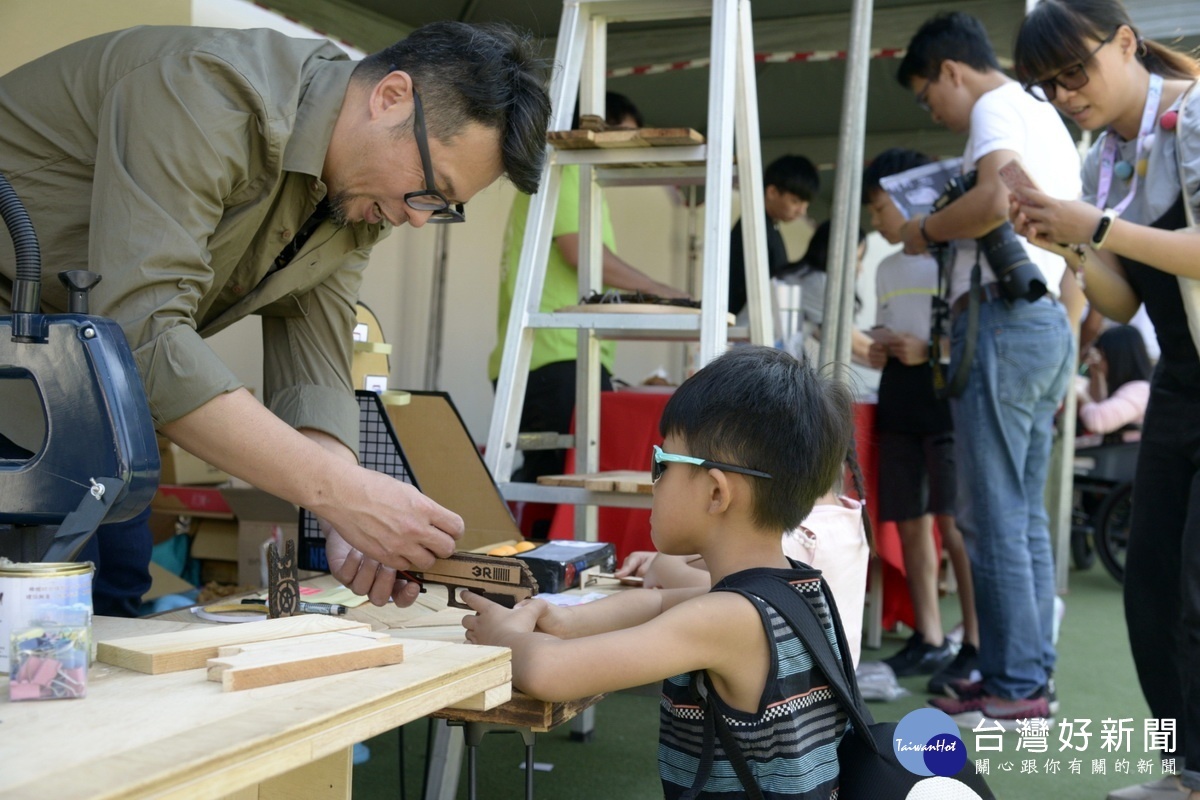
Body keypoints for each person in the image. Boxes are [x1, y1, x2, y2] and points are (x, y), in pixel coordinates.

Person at [0, 22, 551, 607]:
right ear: (391, 98)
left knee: (110, 594)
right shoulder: (206, 91)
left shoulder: (356, 198)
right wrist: (345, 494)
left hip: (66, 385)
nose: (420, 218)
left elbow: (313, 367)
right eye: (430, 188)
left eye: (443, 207)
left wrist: (343, 519)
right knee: (34, 619)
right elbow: (143, 334)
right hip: (33, 369)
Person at [463, 346, 854, 799]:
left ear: (715, 493)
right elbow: (658, 601)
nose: (654, 480)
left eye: (662, 464)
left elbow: (551, 672)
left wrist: (504, 637)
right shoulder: (795, 586)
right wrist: (567, 620)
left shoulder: (727, 619)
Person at [1010, 2, 1200, 796]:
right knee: (1150, 584)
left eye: (1074, 72)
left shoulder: (1192, 115)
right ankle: (1184, 768)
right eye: (1049, 85)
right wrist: (1072, 244)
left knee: (1196, 588)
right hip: (1181, 383)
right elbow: (1123, 304)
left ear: (1126, 42)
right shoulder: (1105, 157)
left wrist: (1099, 227)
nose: (1066, 94)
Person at [896, 11, 1081, 727]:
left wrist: (925, 229)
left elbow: (996, 199)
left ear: (950, 71)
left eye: (925, 94)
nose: (933, 110)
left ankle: (1014, 688)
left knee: (994, 516)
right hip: (1040, 317)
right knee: (1021, 515)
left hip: (1003, 316)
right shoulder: (1045, 114)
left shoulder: (997, 105)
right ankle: (1027, 673)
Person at [488, 92, 685, 491]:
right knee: (560, 486)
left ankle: (527, 550)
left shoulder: (570, 177)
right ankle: (531, 553)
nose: (632, 150)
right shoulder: (568, 170)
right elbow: (580, 252)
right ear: (596, 129)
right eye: (627, 136)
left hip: (548, 357)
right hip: (556, 357)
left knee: (548, 480)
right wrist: (655, 290)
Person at [861, 147, 980, 692]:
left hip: (948, 396)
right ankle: (930, 637)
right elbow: (890, 329)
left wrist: (929, 350)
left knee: (954, 524)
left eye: (879, 206)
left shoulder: (955, 257)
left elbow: (974, 340)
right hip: (899, 396)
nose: (876, 219)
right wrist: (879, 350)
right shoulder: (886, 268)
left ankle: (976, 642)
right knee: (909, 521)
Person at [727, 154, 819, 318]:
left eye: (806, 205)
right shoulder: (755, 228)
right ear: (772, 192)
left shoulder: (767, 226)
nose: (802, 211)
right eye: (795, 201)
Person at [780, 218, 876, 365]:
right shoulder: (818, 282)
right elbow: (854, 343)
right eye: (856, 259)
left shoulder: (803, 275)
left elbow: (830, 340)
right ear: (836, 253)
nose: (859, 268)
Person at [1076, 324, 1152, 436]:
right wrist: (1096, 373)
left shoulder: (1140, 390)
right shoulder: (1121, 386)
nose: (1099, 361)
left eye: (1102, 356)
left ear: (1118, 358)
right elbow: (1097, 403)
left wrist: (1080, 395)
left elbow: (1097, 421)